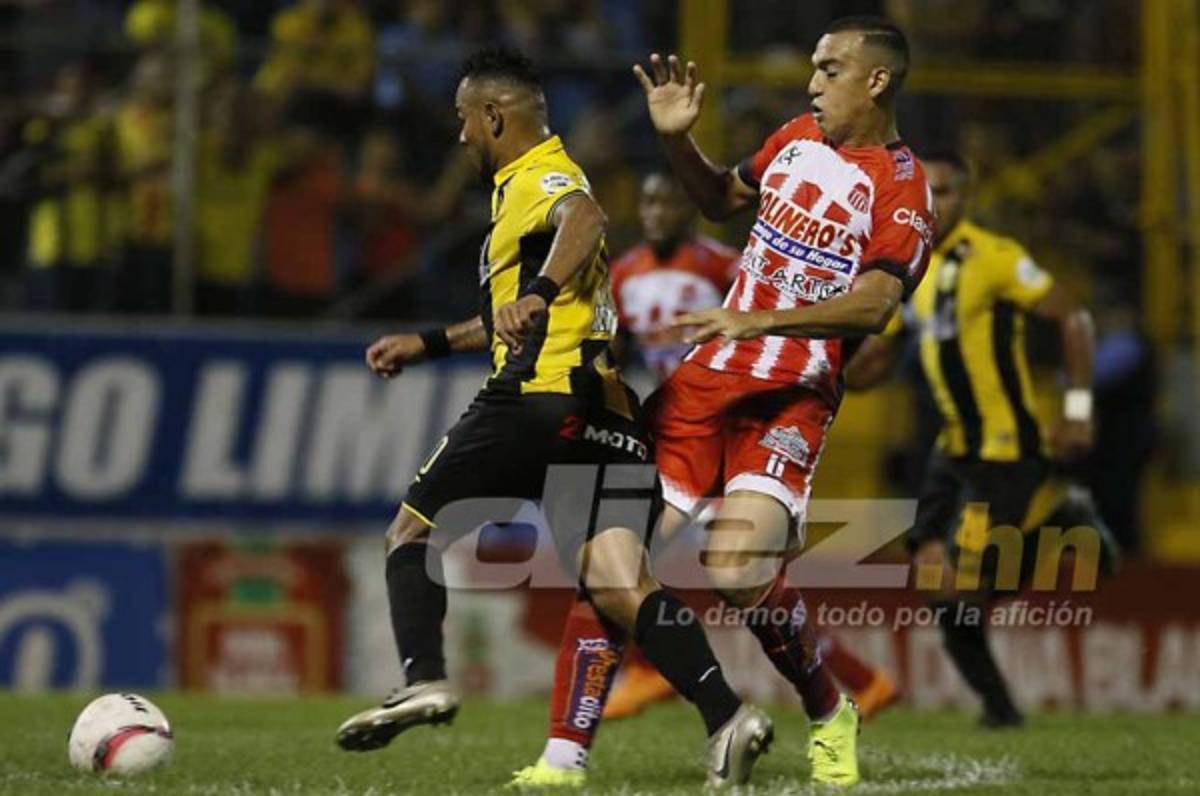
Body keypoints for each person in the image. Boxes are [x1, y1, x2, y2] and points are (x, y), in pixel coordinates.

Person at [333, 47, 773, 790]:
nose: (462, 136)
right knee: (617, 580)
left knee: (412, 532)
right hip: (604, 411)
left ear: (494, 115)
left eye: (466, 120)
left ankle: (425, 678)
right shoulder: (520, 192)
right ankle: (728, 717)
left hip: (535, 400)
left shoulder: (544, 177)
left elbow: (587, 217)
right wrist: (431, 343)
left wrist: (536, 286)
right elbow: (517, 313)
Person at [517, 16, 934, 788]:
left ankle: (828, 708)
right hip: (703, 384)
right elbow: (716, 200)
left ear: (876, 80)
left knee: (737, 569)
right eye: (814, 65)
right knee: (612, 562)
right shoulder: (794, 138)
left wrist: (760, 318)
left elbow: (873, 305)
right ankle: (562, 759)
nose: (813, 81)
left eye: (831, 68)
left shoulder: (903, 187)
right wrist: (678, 139)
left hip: (791, 396)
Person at [603, 171, 899, 723]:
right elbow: (617, 348)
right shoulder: (623, 274)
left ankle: (855, 681)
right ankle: (858, 680)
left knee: (736, 570)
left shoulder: (723, 264)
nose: (657, 212)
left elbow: (777, 318)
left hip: (741, 423)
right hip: (686, 423)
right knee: (645, 555)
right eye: (647, 201)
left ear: (689, 209)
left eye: (668, 199)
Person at [844, 148, 1118, 727]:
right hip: (953, 448)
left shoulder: (994, 257)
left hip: (1005, 448)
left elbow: (1074, 318)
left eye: (946, 193)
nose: (936, 205)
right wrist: (846, 373)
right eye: (928, 192)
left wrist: (1075, 407)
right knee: (936, 583)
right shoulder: (910, 267)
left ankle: (1067, 527)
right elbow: (881, 355)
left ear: (965, 198)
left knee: (962, 584)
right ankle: (1001, 711)